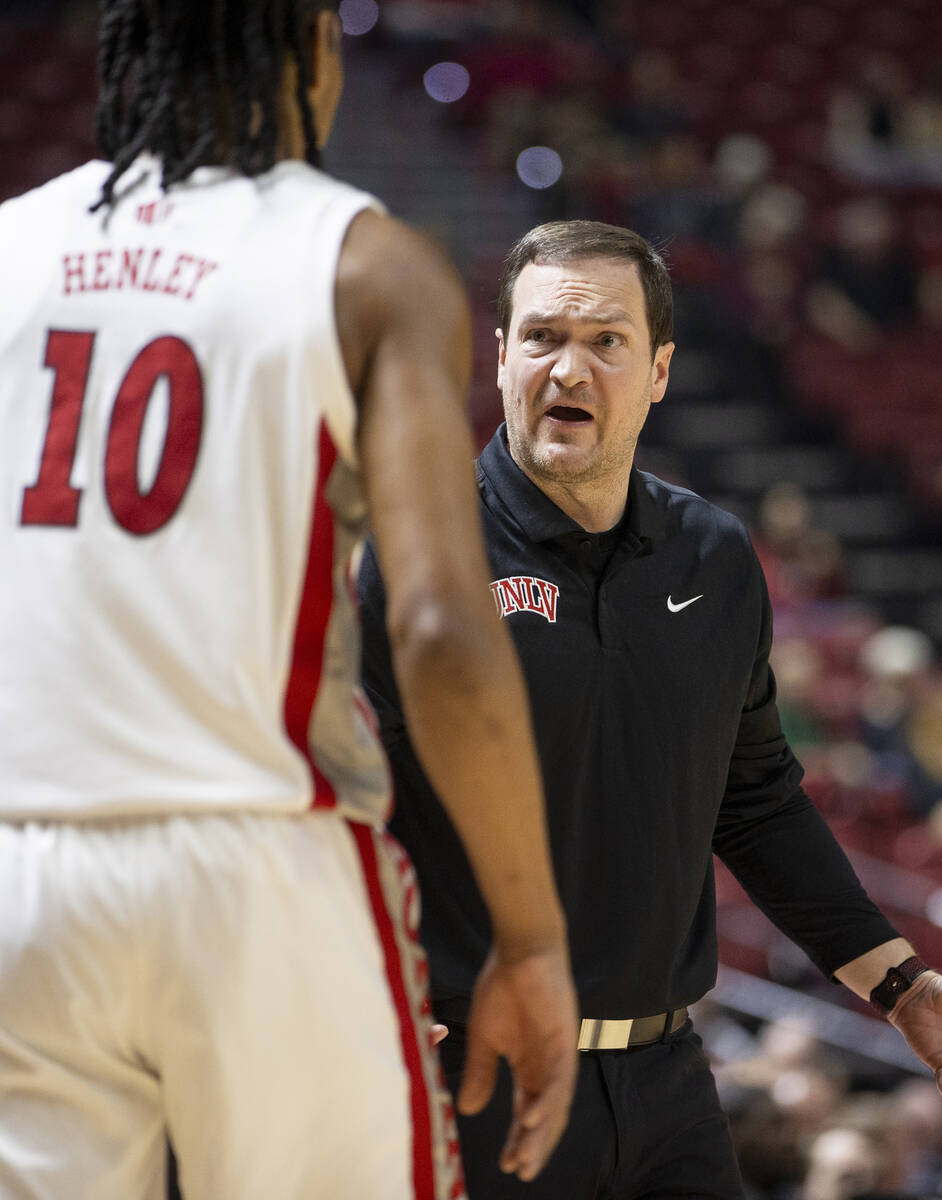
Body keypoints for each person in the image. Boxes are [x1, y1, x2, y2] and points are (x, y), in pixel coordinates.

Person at [357, 220, 942, 1199]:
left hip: (665, 1076)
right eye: (541, 337)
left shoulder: (712, 553)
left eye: (604, 341)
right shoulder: (411, 547)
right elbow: (333, 793)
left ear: (657, 371)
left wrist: (901, 986)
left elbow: (754, 799)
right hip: (470, 1071)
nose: (567, 366)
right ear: (499, 355)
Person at [0, 5, 579, 1198]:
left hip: (20, 873)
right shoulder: (364, 262)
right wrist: (530, 939)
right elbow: (438, 632)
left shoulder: (7, 246)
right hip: (255, 852)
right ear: (313, 44)